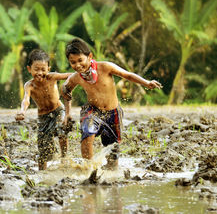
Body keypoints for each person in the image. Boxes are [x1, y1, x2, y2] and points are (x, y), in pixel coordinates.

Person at [61, 38, 162, 169]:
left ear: (89, 56)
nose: (78, 65)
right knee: (87, 133)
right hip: (93, 111)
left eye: (80, 60)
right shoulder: (76, 77)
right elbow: (65, 90)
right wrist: (67, 113)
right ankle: (89, 169)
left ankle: (110, 172)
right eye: (73, 62)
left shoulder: (105, 67)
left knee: (112, 151)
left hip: (113, 112)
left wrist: (146, 83)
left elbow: (128, 75)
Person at [15, 49, 73, 170]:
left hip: (58, 110)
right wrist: (22, 111)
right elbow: (26, 99)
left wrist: (82, 75)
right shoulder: (29, 85)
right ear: (29, 69)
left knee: (61, 130)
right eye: (36, 69)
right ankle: (42, 173)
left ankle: (64, 157)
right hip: (43, 117)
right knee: (43, 149)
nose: (40, 73)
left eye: (43, 69)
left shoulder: (52, 77)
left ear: (48, 69)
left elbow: (70, 75)